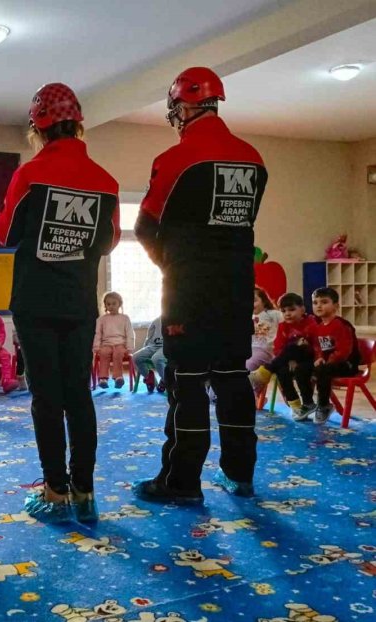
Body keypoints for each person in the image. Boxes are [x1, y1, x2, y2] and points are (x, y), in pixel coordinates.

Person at [133, 67, 268, 503]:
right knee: (232, 382)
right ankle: (240, 475)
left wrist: (169, 266)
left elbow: (145, 228)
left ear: (184, 107)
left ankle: (182, 482)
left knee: (187, 384)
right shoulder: (254, 159)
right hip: (235, 293)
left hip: (188, 294)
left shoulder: (175, 159)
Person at [0, 82, 120, 523]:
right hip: (80, 303)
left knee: (47, 399)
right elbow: (109, 243)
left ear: (38, 128)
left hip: (35, 302)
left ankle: (55, 491)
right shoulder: (106, 181)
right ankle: (85, 491)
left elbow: (4, 233)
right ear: (79, 125)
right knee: (79, 397)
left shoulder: (28, 174)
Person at [249, 292, 317, 421]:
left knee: (297, 344)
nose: (287, 314)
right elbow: (279, 346)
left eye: (292, 310)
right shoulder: (283, 326)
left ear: (302, 309)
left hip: (308, 360)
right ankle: (296, 406)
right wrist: (290, 359)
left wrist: (294, 353)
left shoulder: (311, 323)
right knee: (282, 371)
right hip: (289, 360)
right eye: (284, 311)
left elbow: (313, 346)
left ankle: (265, 371)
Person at [309, 287, 359, 424]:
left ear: (336, 306)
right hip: (327, 364)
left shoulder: (341, 325)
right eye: (315, 302)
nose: (319, 305)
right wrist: (319, 357)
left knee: (322, 370)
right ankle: (307, 404)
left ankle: (324, 405)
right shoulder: (318, 326)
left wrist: (327, 361)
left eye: (324, 302)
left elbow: (344, 351)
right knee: (305, 367)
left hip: (347, 364)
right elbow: (317, 346)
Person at [92, 291, 134, 389]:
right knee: (104, 353)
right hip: (106, 344)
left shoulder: (125, 318)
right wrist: (96, 347)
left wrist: (130, 348)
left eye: (114, 303)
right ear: (105, 305)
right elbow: (98, 334)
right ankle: (103, 379)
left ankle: (118, 377)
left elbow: (130, 333)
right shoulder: (101, 319)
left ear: (119, 304)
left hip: (121, 344)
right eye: (108, 304)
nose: (111, 306)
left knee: (118, 353)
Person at [247, 286, 282, 372]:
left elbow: (288, 322)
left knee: (249, 365)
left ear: (264, 301)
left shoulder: (273, 314)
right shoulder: (247, 317)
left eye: (254, 301)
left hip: (266, 350)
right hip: (251, 349)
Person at [133, 316, 166, 393]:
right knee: (136, 357)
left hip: (166, 346)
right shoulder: (157, 320)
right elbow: (149, 335)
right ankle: (149, 377)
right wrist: (145, 347)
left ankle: (165, 380)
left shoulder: (177, 320)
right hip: (153, 345)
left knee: (156, 358)